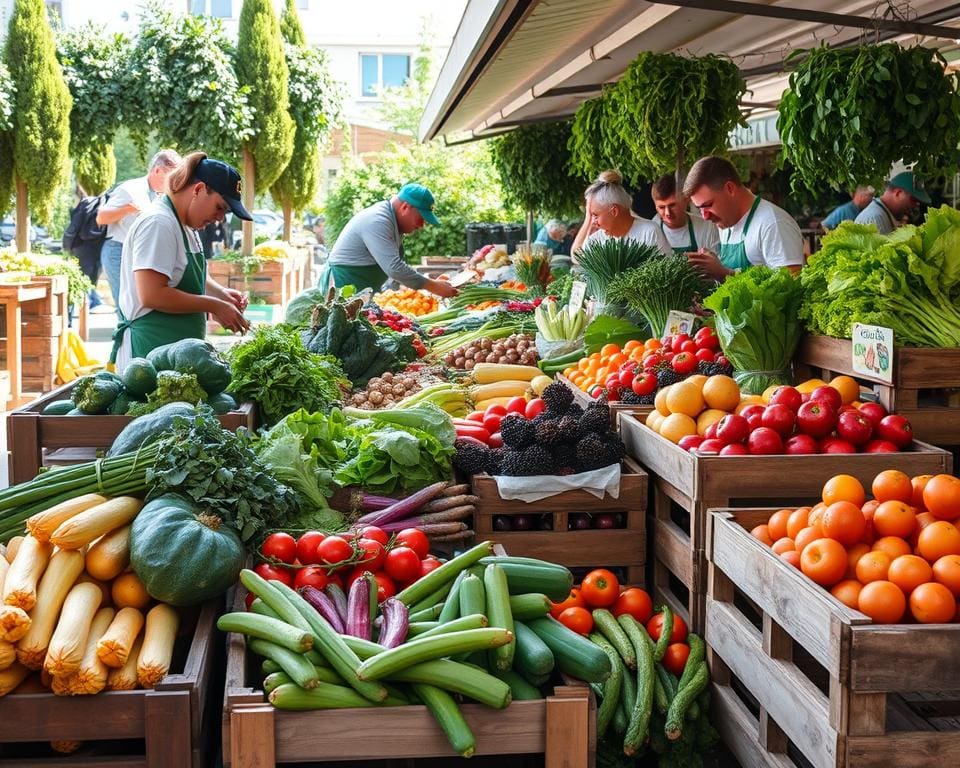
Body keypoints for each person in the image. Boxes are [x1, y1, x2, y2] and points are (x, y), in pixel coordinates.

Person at [110, 152, 252, 371]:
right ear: (198, 190)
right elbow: (152, 294)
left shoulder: (186, 226)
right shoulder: (159, 223)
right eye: (220, 207)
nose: (220, 218)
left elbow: (187, 274)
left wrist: (221, 295)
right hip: (148, 356)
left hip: (175, 358)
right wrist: (213, 305)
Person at [682, 155, 804, 280]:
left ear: (730, 188)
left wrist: (725, 274)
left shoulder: (773, 224)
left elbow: (791, 286)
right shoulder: (726, 223)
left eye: (708, 205)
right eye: (699, 208)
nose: (705, 216)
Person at [325, 183, 457, 297]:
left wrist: (430, 282)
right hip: (343, 287)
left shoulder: (393, 221)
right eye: (421, 218)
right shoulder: (378, 221)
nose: (421, 225)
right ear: (405, 207)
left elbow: (397, 267)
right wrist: (433, 286)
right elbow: (395, 269)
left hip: (362, 291)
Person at [96, 149, 182, 313]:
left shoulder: (162, 195)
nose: (174, 181)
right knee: (126, 305)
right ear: (157, 171)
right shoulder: (130, 189)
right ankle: (123, 338)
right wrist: (128, 209)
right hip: (118, 251)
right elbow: (101, 217)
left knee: (139, 305)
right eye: (171, 176)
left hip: (141, 253)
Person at [571, 170, 671, 257]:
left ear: (614, 211)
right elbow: (578, 260)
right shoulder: (594, 243)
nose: (593, 222)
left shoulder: (650, 232)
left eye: (595, 215)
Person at [649, 173, 720, 256]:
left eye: (672, 205)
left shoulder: (707, 226)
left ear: (686, 200)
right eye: (661, 207)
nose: (668, 213)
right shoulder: (650, 232)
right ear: (656, 207)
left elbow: (720, 261)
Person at [853, 171, 930, 234]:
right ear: (898, 193)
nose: (916, 204)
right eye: (914, 200)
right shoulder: (875, 218)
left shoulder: (883, 213)